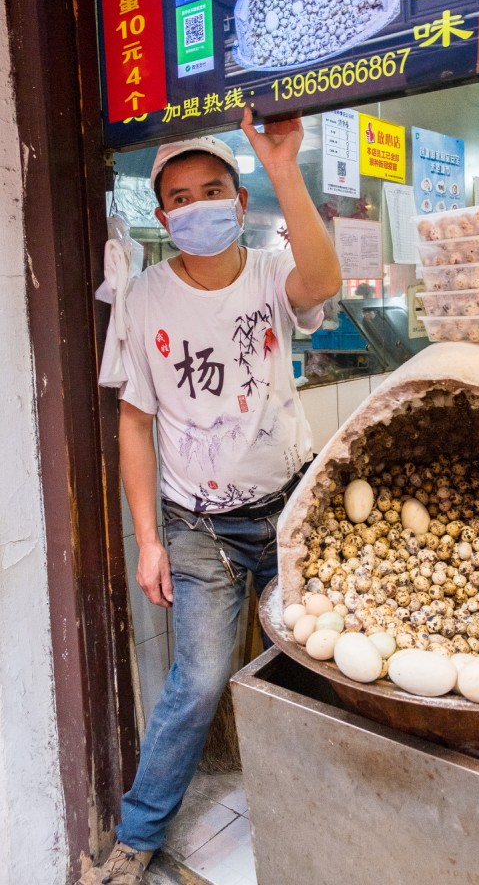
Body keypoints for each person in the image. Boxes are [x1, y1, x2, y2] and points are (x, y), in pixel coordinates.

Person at [80, 108, 341, 884]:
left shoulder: (268, 272)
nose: (199, 208)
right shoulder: (144, 298)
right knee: (194, 684)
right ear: (163, 215)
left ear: (239, 198)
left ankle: (317, 811)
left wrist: (284, 167)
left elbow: (322, 281)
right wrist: (148, 539)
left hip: (290, 510)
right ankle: (137, 836)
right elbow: (133, 424)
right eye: (183, 198)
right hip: (199, 528)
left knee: (311, 667)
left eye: (214, 189)